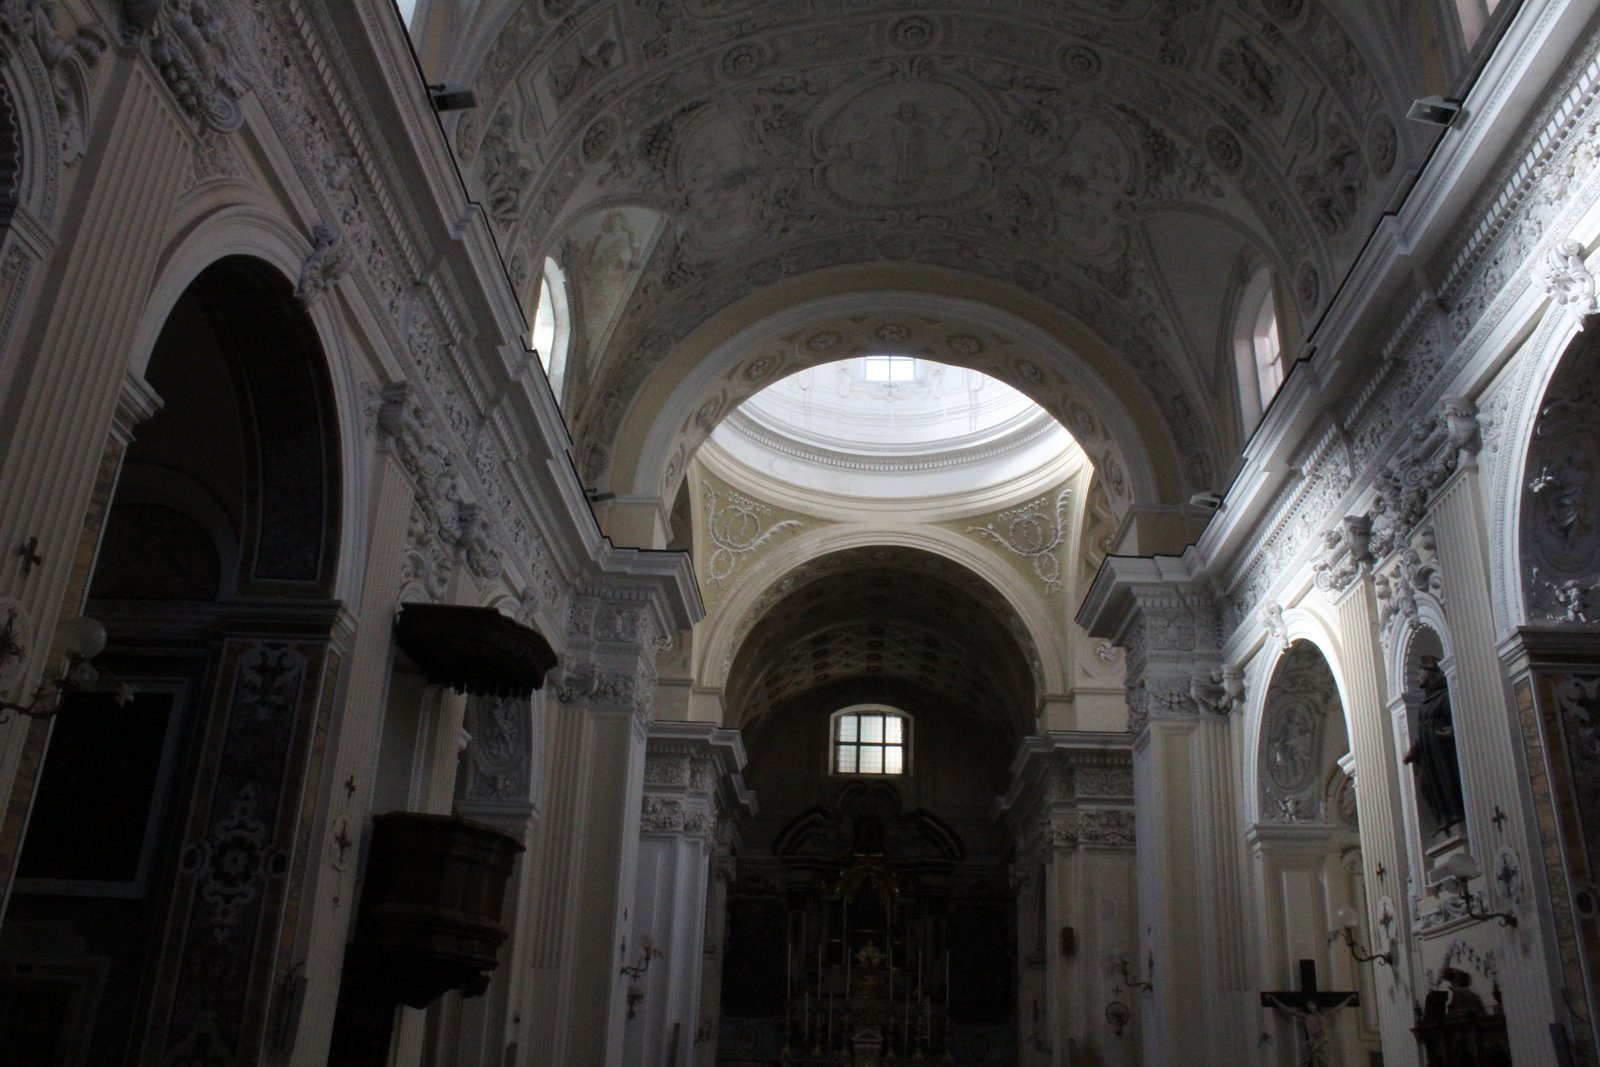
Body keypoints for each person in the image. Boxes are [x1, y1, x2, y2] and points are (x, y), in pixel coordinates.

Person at [1403, 657, 1467, 831]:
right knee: (1426, 785)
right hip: (1428, 752)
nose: (1417, 678)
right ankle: (1441, 817)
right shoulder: (1425, 704)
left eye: (1420, 674)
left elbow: (1456, 717)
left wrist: (1452, 731)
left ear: (1429, 674)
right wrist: (1414, 751)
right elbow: (1420, 731)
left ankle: (1455, 814)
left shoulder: (1444, 697)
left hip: (1442, 751)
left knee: (1447, 779)